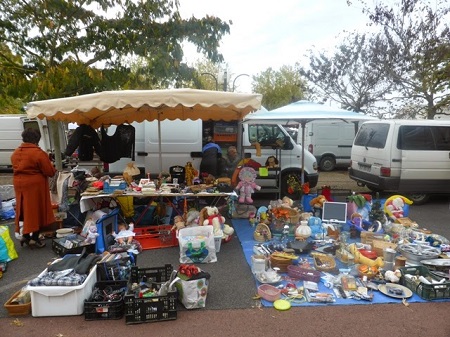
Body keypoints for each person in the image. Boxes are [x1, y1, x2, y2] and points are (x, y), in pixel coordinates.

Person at [11, 128, 57, 248]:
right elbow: (50, 171)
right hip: (35, 185)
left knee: (25, 210)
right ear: (36, 139)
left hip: (19, 184)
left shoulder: (16, 152)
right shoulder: (38, 153)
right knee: (37, 210)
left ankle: (26, 236)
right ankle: (34, 238)